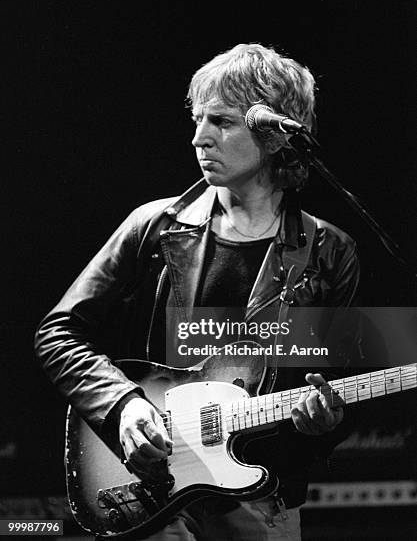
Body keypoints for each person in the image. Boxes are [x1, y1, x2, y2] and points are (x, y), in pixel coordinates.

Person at [35, 43, 360, 540]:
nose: (198, 138)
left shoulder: (328, 251)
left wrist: (325, 423)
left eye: (222, 122)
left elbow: (335, 384)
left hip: (262, 495)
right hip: (154, 483)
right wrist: (123, 404)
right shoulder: (154, 225)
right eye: (198, 119)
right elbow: (57, 332)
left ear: (275, 136)